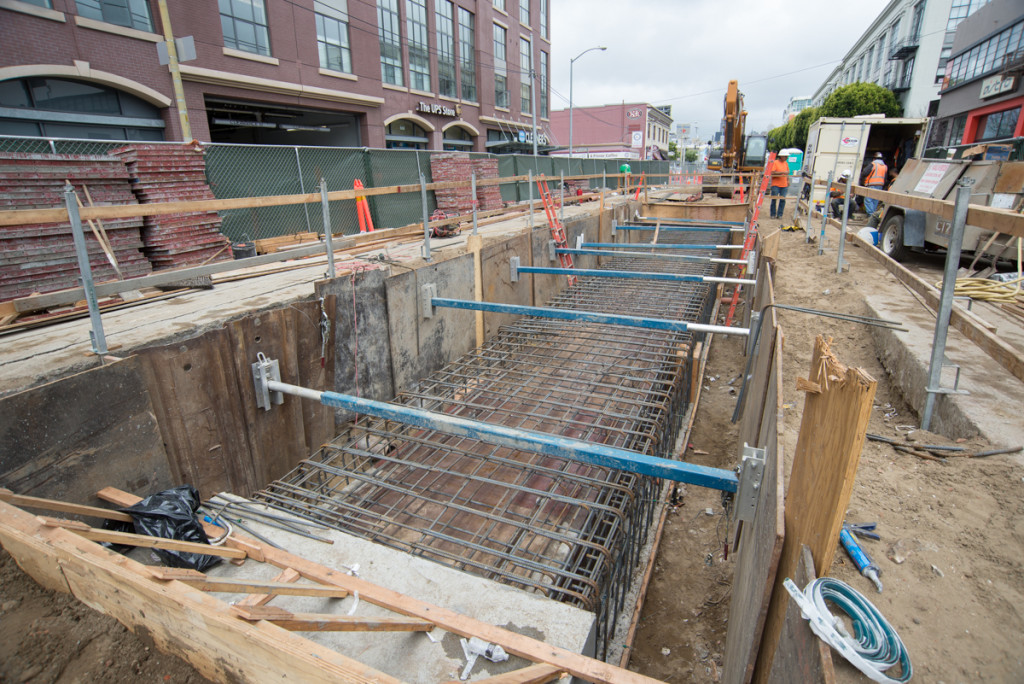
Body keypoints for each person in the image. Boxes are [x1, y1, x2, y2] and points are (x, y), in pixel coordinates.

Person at [860, 151, 887, 217]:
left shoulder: (873, 164)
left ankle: (871, 215)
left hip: (872, 184)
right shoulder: (885, 166)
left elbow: (864, 173)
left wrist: (863, 180)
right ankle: (873, 214)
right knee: (875, 200)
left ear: (874, 158)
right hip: (880, 185)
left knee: (868, 200)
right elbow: (885, 177)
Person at [769, 152, 789, 219]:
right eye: (785, 156)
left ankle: (780, 214)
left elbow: (787, 173)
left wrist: (788, 180)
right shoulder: (775, 163)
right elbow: (772, 172)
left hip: (784, 184)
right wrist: (782, 172)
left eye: (787, 156)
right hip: (776, 184)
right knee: (774, 199)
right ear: (781, 156)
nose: (786, 158)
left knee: (782, 200)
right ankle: (773, 214)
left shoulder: (786, 163)